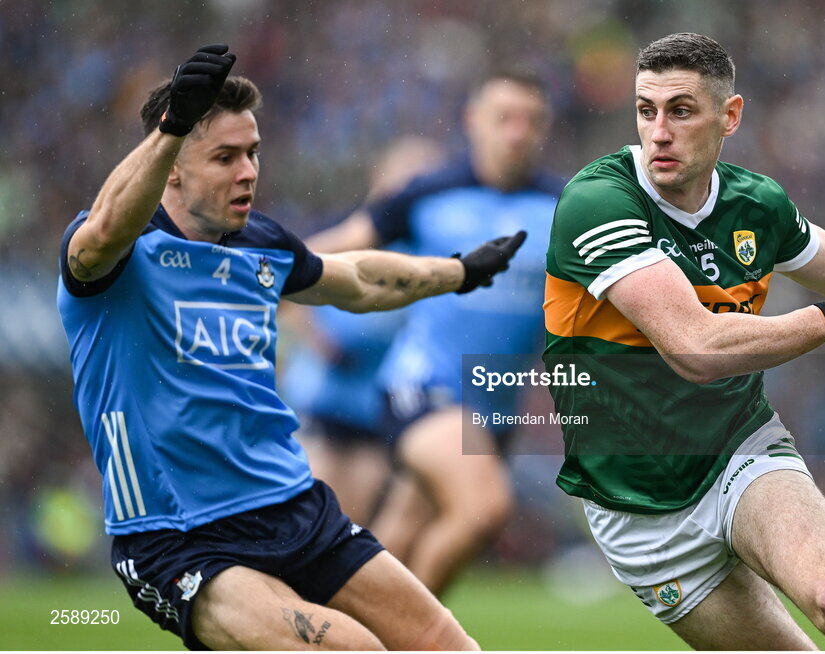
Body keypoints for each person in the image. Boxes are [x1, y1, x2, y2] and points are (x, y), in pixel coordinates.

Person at [56, 44, 526, 650]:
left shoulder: (263, 246)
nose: (248, 171)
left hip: (293, 507)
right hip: (179, 538)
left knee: (448, 645)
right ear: (170, 164)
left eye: (252, 152)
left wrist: (458, 272)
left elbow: (358, 280)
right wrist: (173, 124)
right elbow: (104, 229)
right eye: (225, 157)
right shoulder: (113, 256)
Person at [543, 32, 825, 650]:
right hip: (636, 507)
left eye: (681, 110)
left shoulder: (757, 203)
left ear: (729, 116)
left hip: (740, 450)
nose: (658, 132)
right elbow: (695, 347)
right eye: (646, 110)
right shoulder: (597, 201)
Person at [310, 69, 563, 596]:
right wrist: (249, 268)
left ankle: (338, 622)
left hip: (495, 405)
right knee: (484, 509)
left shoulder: (569, 206)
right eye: (504, 118)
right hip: (422, 385)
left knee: (400, 533)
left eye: (531, 120)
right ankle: (415, 637)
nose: (517, 131)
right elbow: (339, 246)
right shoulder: (427, 194)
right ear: (474, 121)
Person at [280, 137, 445, 526]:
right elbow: (287, 290)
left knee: (355, 516)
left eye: (422, 181)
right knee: (311, 503)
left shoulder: (425, 245)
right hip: (322, 392)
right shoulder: (344, 232)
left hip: (375, 401)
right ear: (381, 176)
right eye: (407, 179)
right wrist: (322, 344)